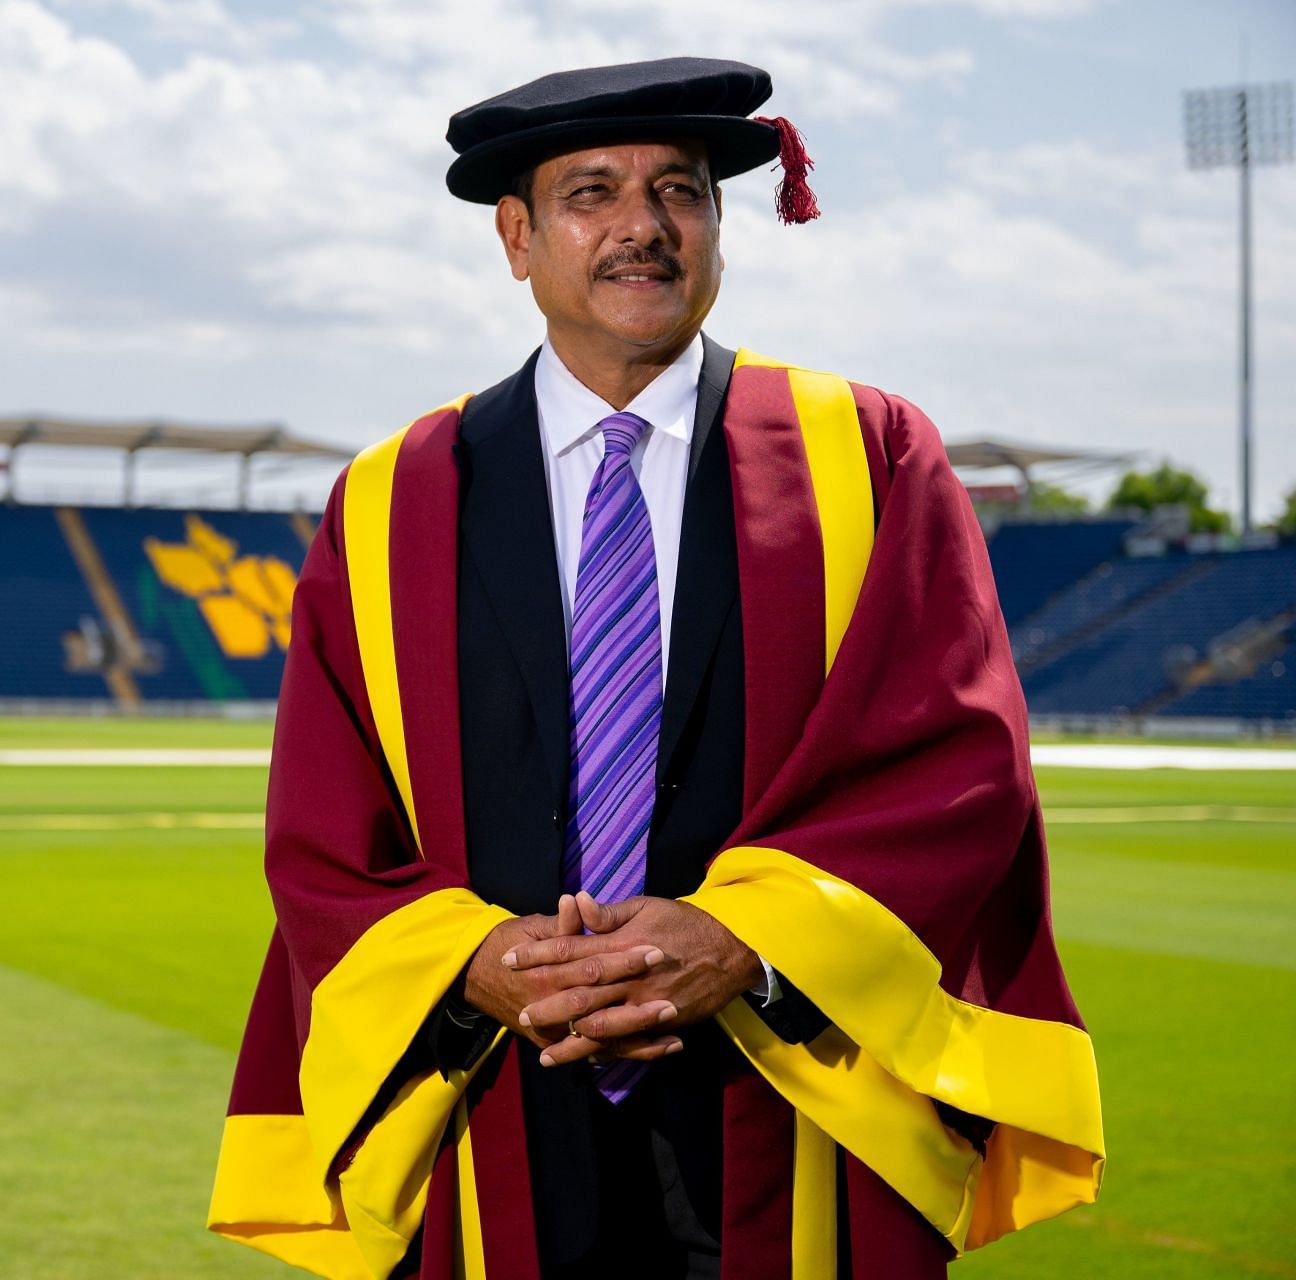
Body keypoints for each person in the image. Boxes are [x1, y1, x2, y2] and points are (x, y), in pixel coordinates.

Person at [208, 57, 1103, 1280]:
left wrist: (742, 935)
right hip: (495, 1090)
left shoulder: (872, 455)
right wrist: (478, 961)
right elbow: (325, 823)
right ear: (516, 237)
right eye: (592, 193)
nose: (642, 226)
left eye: (679, 191)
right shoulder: (391, 500)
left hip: (789, 1092)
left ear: (723, 225)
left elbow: (956, 758)